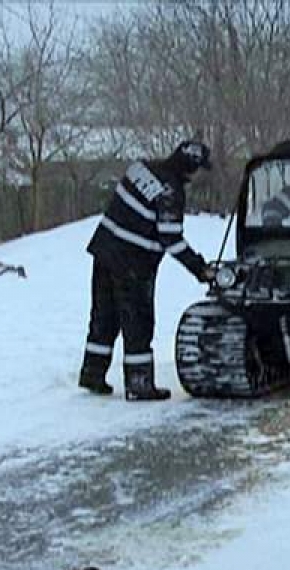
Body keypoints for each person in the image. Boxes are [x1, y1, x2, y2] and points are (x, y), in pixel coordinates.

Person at [80, 141, 215, 401]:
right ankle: (139, 384)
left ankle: (92, 374)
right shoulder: (169, 191)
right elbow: (171, 239)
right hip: (133, 263)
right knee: (138, 321)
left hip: (104, 250)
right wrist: (201, 269)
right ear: (191, 167)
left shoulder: (140, 168)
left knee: (104, 316)